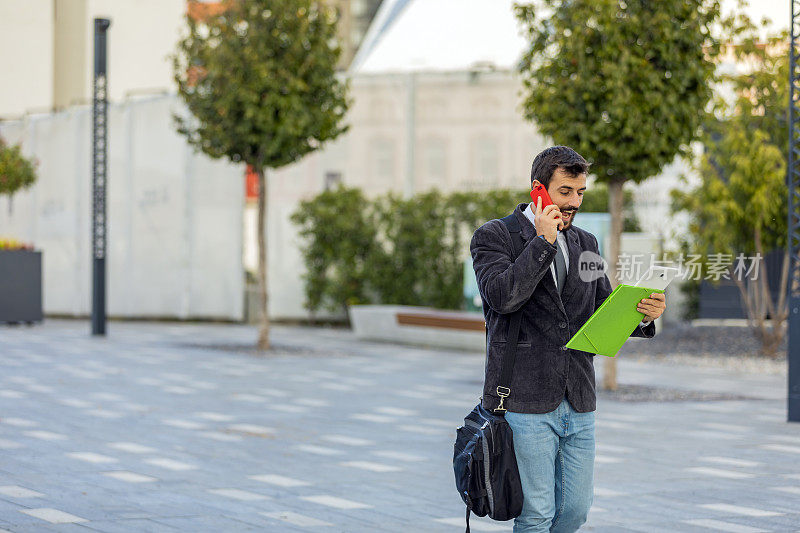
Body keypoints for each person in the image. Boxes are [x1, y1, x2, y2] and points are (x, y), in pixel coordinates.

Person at [469, 146, 666, 532]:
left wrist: (642, 316)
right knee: (537, 514)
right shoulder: (496, 236)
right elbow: (503, 297)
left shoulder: (586, 243)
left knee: (575, 511)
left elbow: (602, 307)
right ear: (538, 189)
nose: (574, 202)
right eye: (565, 192)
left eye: (580, 192)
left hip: (578, 398)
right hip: (524, 401)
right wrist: (541, 243)